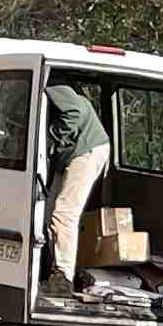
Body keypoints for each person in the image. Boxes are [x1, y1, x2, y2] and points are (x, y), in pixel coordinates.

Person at [45, 77, 112, 285]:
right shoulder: (60, 91)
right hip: (71, 154)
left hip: (86, 151)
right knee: (48, 214)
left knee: (64, 214)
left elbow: (74, 113)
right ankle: (52, 269)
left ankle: (63, 276)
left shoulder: (55, 85)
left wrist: (52, 138)